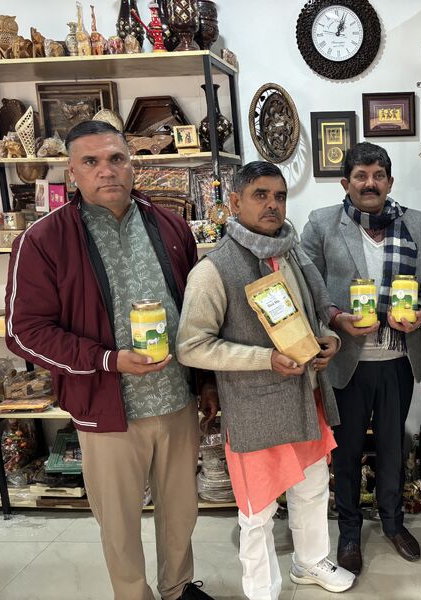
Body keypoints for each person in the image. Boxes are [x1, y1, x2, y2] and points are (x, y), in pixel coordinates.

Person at [5, 120, 214, 600]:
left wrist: (204, 381)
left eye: (116, 158)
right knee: (119, 523)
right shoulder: (44, 239)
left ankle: (178, 588)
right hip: (107, 409)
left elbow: (196, 314)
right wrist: (107, 360)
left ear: (131, 163)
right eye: (91, 161)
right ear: (72, 172)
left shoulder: (170, 226)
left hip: (176, 400)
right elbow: (24, 331)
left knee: (181, 511)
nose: (107, 170)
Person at [176, 161, 355, 600]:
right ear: (234, 202)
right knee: (257, 508)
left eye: (279, 196)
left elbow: (315, 315)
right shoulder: (213, 270)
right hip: (255, 406)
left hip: (306, 397)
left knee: (313, 488)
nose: (273, 204)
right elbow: (191, 346)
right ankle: (261, 590)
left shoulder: (292, 253)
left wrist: (328, 339)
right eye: (260, 195)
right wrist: (264, 359)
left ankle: (310, 562)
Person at [301, 142, 421, 576]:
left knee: (393, 446)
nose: (370, 183)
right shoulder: (322, 223)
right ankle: (348, 532)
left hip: (398, 358)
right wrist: (335, 318)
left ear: (390, 181)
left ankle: (394, 523)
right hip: (347, 362)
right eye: (361, 176)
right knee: (346, 452)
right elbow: (306, 283)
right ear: (346, 182)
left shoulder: (412, 222)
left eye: (378, 175)